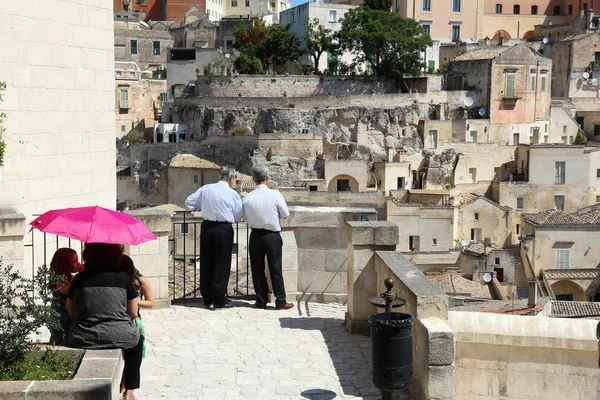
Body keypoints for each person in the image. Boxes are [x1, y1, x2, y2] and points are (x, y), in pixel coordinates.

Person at [66, 243, 142, 400]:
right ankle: (130, 390)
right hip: (120, 335)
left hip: (82, 336)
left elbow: (71, 310)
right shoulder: (124, 278)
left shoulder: (79, 279)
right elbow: (133, 312)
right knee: (137, 341)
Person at [185, 165, 243, 309]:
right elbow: (238, 215)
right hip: (224, 229)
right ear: (231, 178)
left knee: (206, 262)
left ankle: (207, 298)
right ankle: (219, 299)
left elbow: (189, 202)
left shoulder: (206, 189)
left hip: (207, 227)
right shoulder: (232, 194)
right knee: (222, 264)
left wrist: (200, 208)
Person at [243, 164, 294, 310]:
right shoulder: (275, 194)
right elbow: (285, 214)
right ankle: (280, 300)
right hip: (272, 236)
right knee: (275, 269)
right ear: (267, 178)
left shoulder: (247, 197)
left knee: (257, 269)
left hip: (255, 236)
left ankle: (261, 300)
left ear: (253, 179)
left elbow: (245, 217)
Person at [119, 255, 154, 400]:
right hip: (120, 320)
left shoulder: (141, 281)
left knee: (132, 358)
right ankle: (124, 390)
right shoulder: (118, 280)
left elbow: (150, 302)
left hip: (133, 321)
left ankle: (125, 390)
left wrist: (134, 302)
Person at [48, 248, 83, 345]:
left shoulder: (71, 277)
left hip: (70, 315)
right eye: (74, 261)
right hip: (60, 317)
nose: (78, 263)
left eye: (77, 260)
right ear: (65, 265)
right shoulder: (57, 278)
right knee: (60, 342)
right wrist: (77, 277)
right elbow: (67, 290)